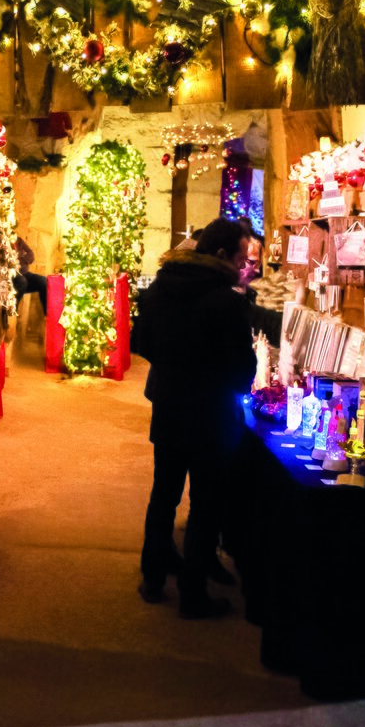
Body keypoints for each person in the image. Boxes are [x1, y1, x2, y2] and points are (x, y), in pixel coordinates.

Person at [130, 218, 257, 619]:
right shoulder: (228, 301)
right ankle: (192, 593)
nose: (244, 266)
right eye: (241, 257)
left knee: (163, 492)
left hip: (168, 403)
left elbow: (141, 341)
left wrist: (173, 367)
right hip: (211, 413)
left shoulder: (162, 286)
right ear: (221, 255)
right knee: (205, 504)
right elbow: (242, 369)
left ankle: (153, 576)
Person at [12, 236, 48, 315]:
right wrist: (20, 258)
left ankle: (47, 315)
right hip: (12, 275)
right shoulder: (4, 241)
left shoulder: (19, 240)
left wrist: (21, 259)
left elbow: (31, 254)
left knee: (44, 281)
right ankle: (12, 307)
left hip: (24, 273)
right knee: (23, 282)